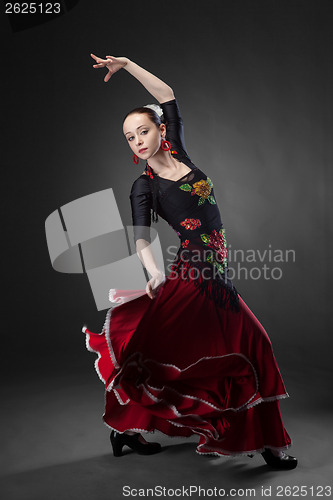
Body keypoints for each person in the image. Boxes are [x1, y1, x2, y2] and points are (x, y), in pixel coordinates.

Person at [83, 53, 297, 469]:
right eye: (129, 137)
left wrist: (126, 65)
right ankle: (269, 446)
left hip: (218, 275)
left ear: (161, 129)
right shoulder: (143, 187)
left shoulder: (179, 149)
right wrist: (155, 272)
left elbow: (165, 94)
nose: (138, 141)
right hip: (194, 276)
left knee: (197, 354)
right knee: (249, 345)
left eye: (143, 131)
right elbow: (141, 236)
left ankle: (126, 430)